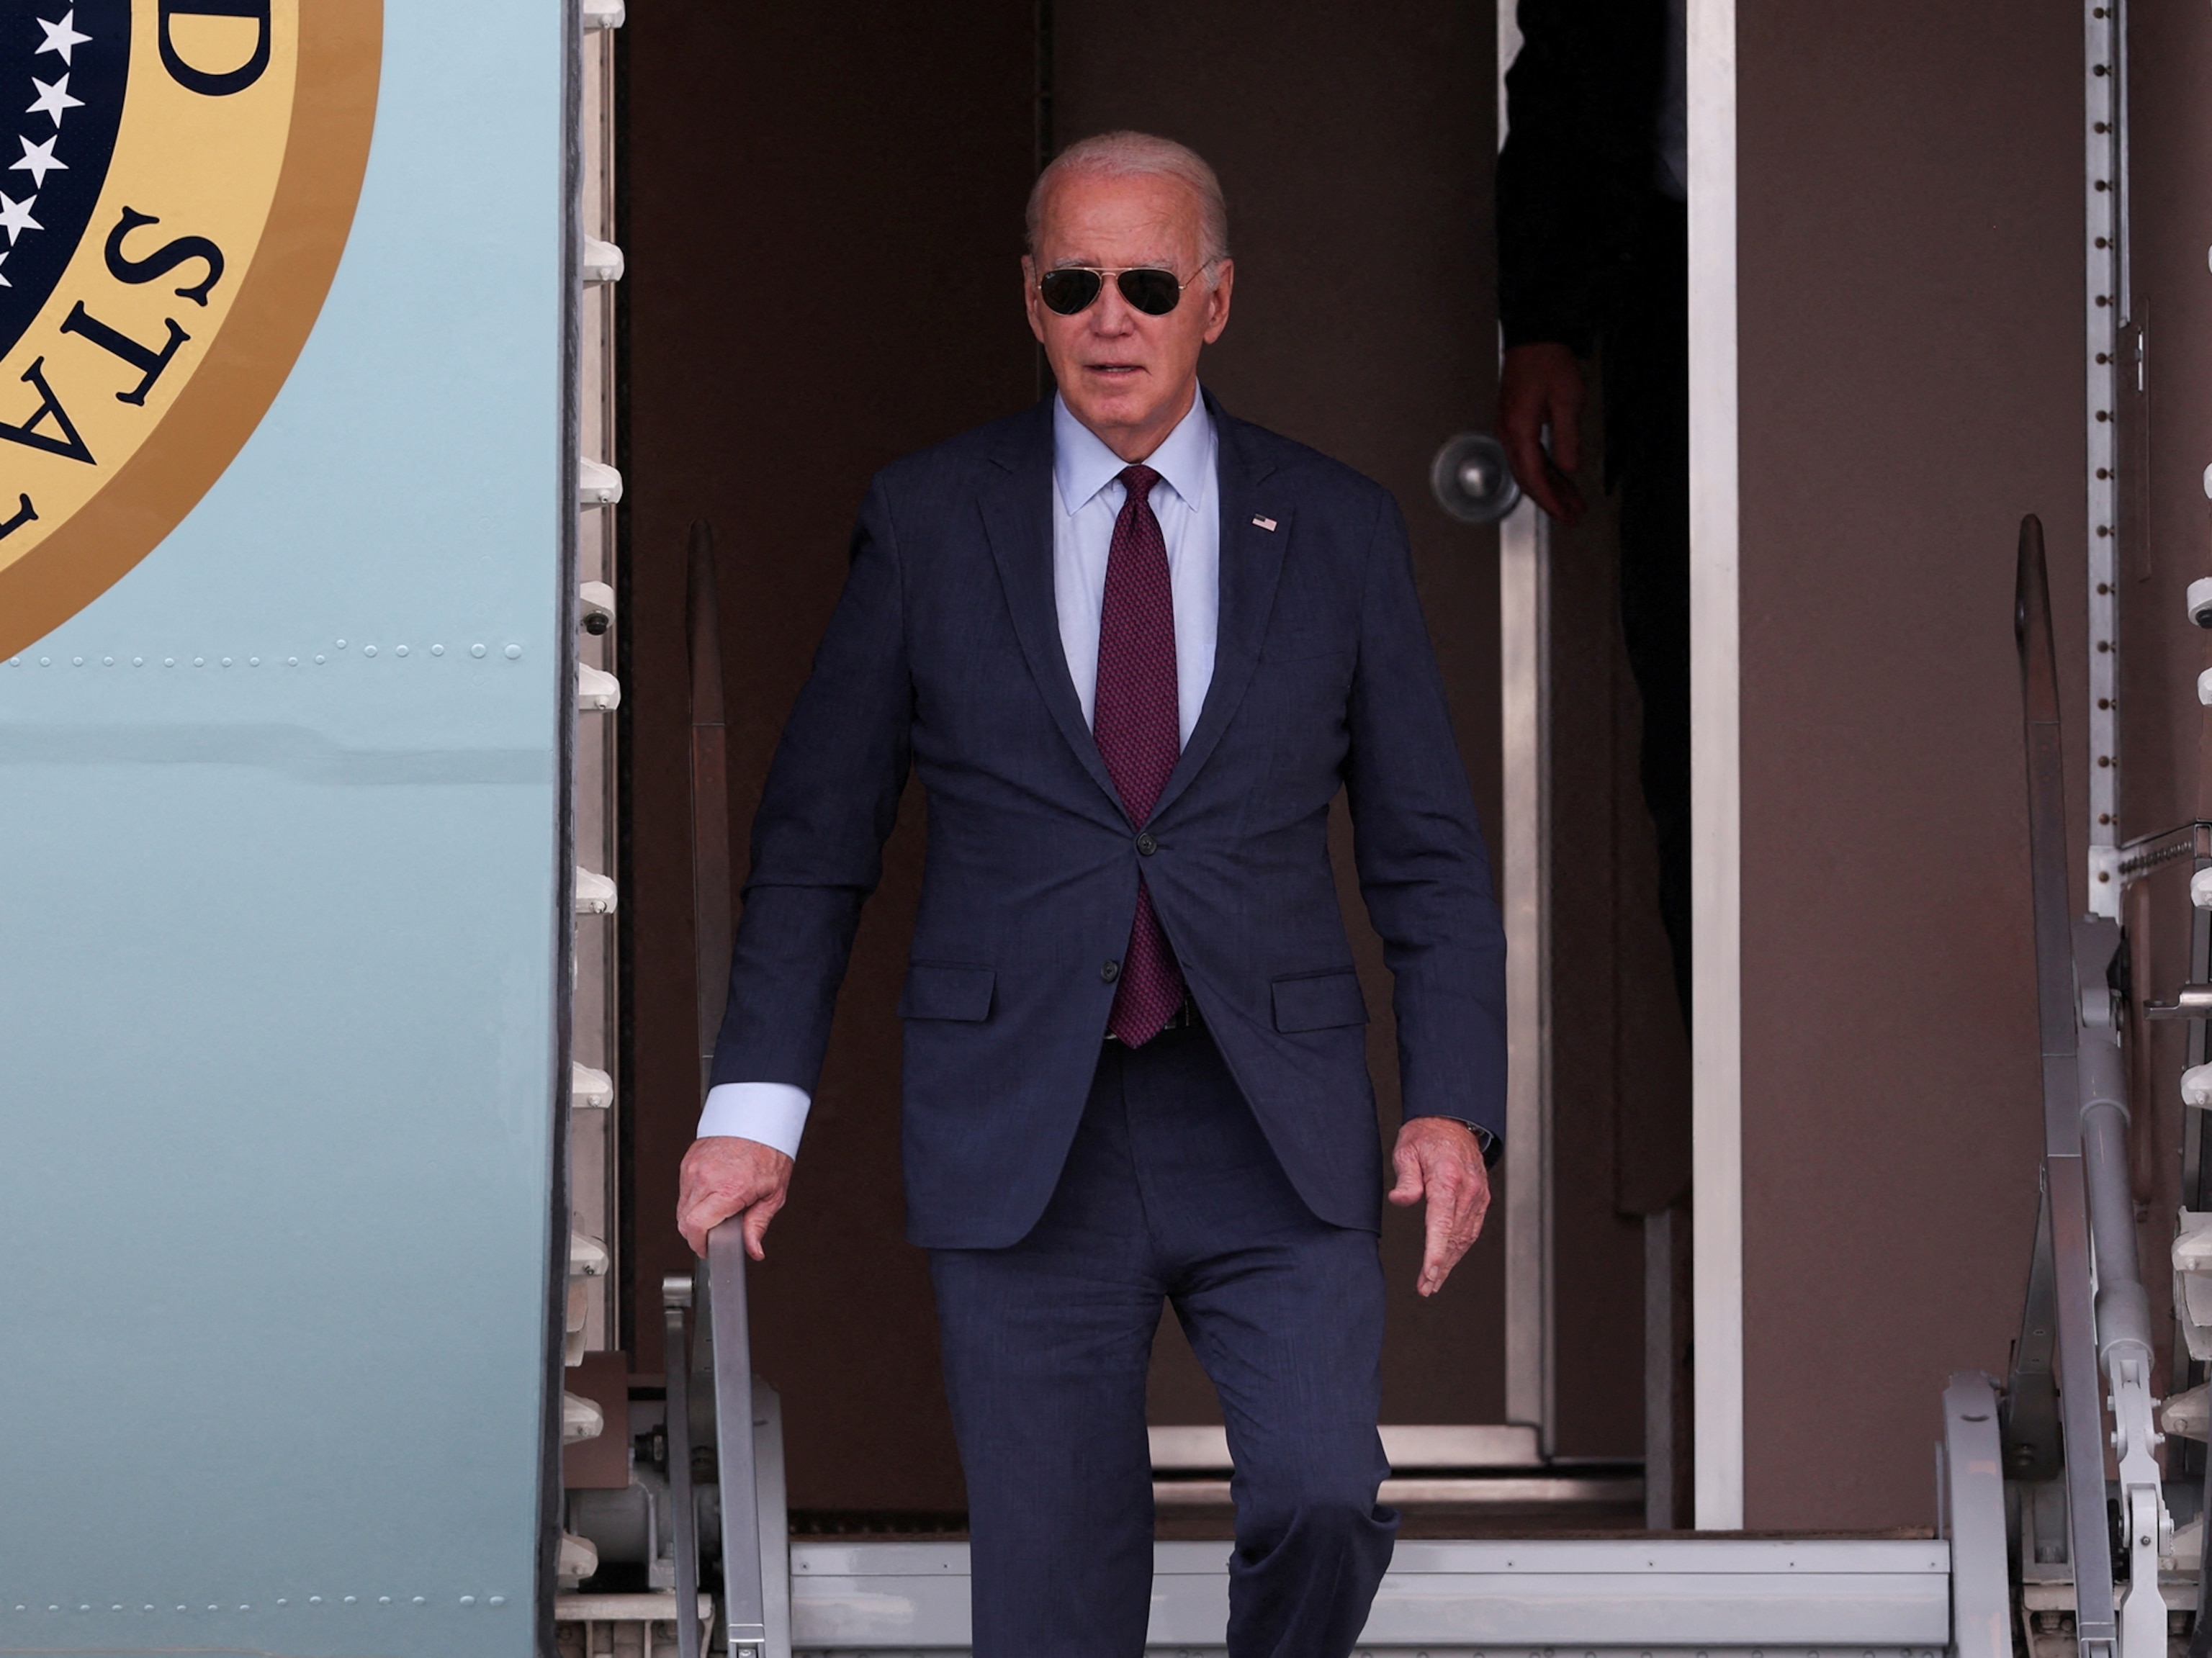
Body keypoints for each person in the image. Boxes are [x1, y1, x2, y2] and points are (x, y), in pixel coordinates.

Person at [675, 131, 1507, 1658]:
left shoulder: (1335, 527)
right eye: (1075, 282)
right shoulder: (930, 519)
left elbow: (1429, 851)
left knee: (1324, 1498)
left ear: (1216, 300)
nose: (1109, 315)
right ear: (1033, 301)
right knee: (1053, 1594)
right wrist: (755, 1106)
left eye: (1145, 281)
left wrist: (1454, 1101)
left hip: (1267, 1112)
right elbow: (816, 834)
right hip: (1022, 1127)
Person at [1496, 0, 1689, 1022]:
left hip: (1889, 258)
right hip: (1670, 300)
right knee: (1696, 748)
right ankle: (1744, 1144)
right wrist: (1541, 322)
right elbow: (1568, 63)